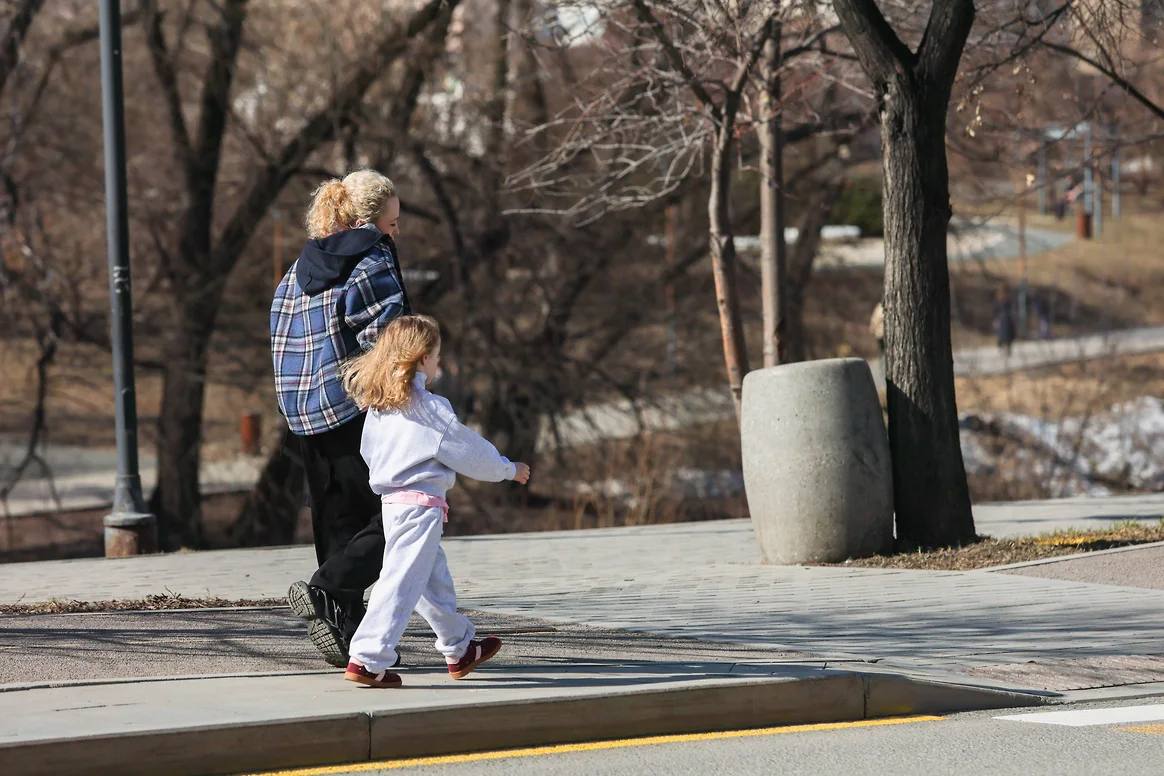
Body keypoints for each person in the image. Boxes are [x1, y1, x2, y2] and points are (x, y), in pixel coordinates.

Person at [337, 315, 531, 688]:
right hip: (420, 508)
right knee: (402, 580)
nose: (439, 363)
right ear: (423, 358)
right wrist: (508, 469)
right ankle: (368, 658)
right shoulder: (429, 408)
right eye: (437, 356)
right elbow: (469, 451)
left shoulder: (380, 406)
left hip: (393, 504)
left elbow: (368, 454)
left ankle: (459, 647)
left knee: (429, 579)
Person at [270, 169, 410, 666]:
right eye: (392, 222)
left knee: (337, 525)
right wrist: (407, 394)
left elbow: (278, 338)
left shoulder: (296, 271)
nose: (396, 232)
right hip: (356, 409)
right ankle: (326, 588)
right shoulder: (371, 260)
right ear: (369, 222)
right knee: (403, 514)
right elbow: (388, 341)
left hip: (305, 416)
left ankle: (346, 631)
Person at [994, 285, 1016, 357]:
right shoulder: (999, 300)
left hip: (1008, 319)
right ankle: (1001, 348)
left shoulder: (1009, 300)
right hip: (1002, 319)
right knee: (1001, 335)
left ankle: (1007, 349)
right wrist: (996, 319)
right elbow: (995, 310)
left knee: (1008, 335)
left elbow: (1013, 309)